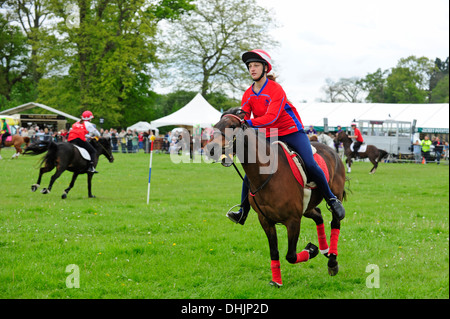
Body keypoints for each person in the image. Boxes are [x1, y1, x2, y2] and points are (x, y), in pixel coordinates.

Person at [226, 49, 345, 225]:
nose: (252, 69)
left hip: (291, 131)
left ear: (265, 68)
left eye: (256, 65)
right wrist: (235, 120)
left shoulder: (276, 89)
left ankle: (331, 199)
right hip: (269, 134)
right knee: (250, 172)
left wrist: (248, 124)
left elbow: (271, 117)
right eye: (250, 66)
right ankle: (243, 211)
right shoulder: (248, 93)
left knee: (310, 163)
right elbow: (245, 115)